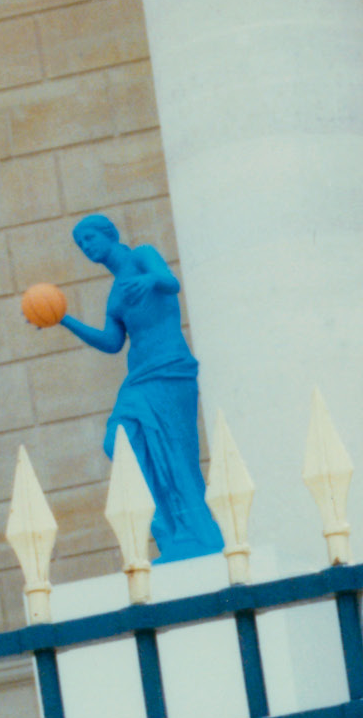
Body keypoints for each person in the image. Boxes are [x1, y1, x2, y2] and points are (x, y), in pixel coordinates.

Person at [26, 215, 220, 564]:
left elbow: (170, 282)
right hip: (139, 377)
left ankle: (195, 537)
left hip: (170, 370)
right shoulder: (115, 293)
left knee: (178, 455)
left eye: (89, 238)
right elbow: (112, 342)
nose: (87, 247)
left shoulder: (142, 256)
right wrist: (63, 319)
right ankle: (169, 527)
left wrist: (149, 280)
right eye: (81, 244)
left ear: (109, 234)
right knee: (118, 440)